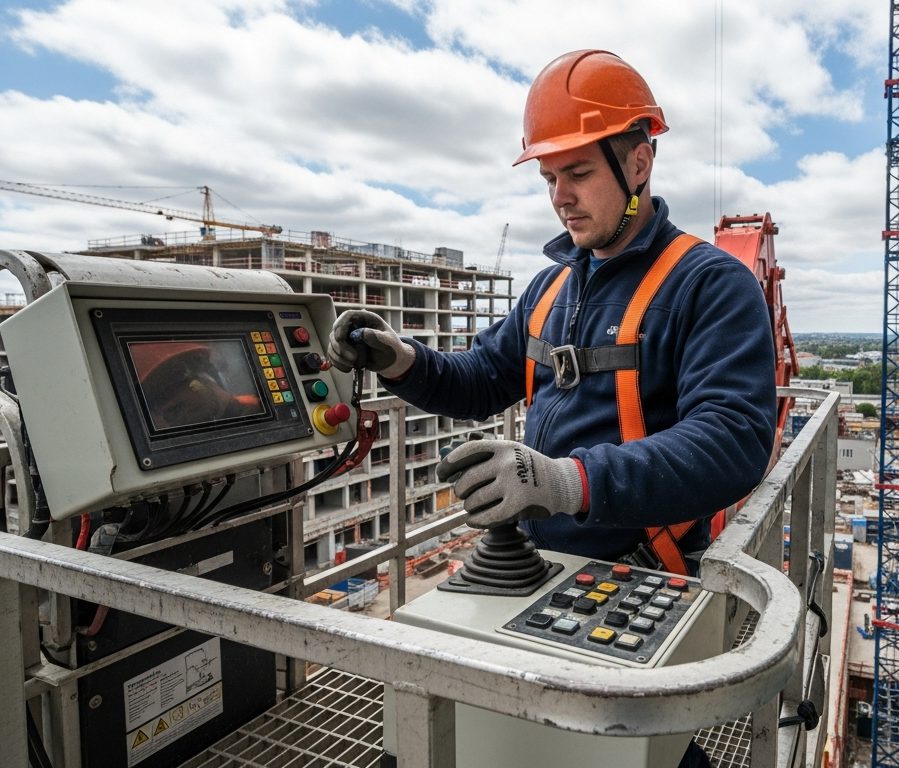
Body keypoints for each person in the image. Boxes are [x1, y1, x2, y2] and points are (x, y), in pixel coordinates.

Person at [328, 51, 777, 764]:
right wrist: (398, 358)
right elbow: (478, 381)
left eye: (578, 173)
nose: (560, 196)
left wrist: (565, 482)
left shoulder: (708, 286)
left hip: (641, 576)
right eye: (548, 178)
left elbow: (732, 441)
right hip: (534, 570)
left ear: (638, 164)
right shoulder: (549, 290)